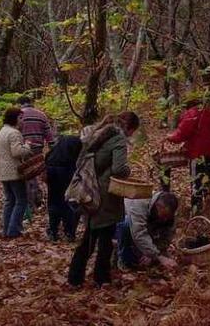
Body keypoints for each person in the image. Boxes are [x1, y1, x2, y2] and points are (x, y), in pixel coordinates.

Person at [67, 111, 139, 288]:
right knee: (103, 238)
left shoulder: (98, 133)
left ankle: (76, 277)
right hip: (105, 194)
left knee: (91, 235)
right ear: (129, 127)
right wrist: (128, 171)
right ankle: (101, 278)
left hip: (89, 189)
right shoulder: (118, 138)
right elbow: (118, 168)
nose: (131, 135)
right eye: (133, 131)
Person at [163, 93, 210, 216]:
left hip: (198, 153)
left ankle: (196, 209)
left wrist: (169, 137)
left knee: (196, 181)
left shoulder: (191, 114)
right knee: (208, 179)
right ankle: (209, 207)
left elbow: (181, 134)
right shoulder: (208, 112)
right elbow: (204, 132)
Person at [115, 191, 179, 270]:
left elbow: (166, 239)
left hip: (144, 233)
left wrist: (152, 254)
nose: (165, 219)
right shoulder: (140, 202)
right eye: (164, 215)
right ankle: (123, 259)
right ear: (158, 206)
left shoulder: (169, 215)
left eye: (168, 216)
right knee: (125, 224)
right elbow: (138, 233)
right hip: (120, 226)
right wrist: (157, 256)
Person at [0, 107, 32, 239]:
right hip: (14, 172)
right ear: (14, 118)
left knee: (9, 200)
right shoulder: (14, 133)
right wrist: (27, 146)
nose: (22, 121)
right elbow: (17, 152)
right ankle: (13, 230)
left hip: (3, 173)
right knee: (21, 200)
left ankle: (6, 230)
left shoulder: (2, 131)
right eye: (20, 118)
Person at [18, 96, 53, 213]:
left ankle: (31, 202)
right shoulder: (41, 115)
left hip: (23, 149)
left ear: (21, 104)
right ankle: (38, 198)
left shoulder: (19, 116)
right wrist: (52, 148)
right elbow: (49, 135)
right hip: (38, 149)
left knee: (27, 176)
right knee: (36, 174)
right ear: (31, 103)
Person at [45, 134, 82, 242]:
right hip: (66, 174)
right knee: (69, 203)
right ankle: (69, 232)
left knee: (53, 202)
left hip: (52, 172)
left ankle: (53, 231)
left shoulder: (52, 155)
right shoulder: (71, 157)